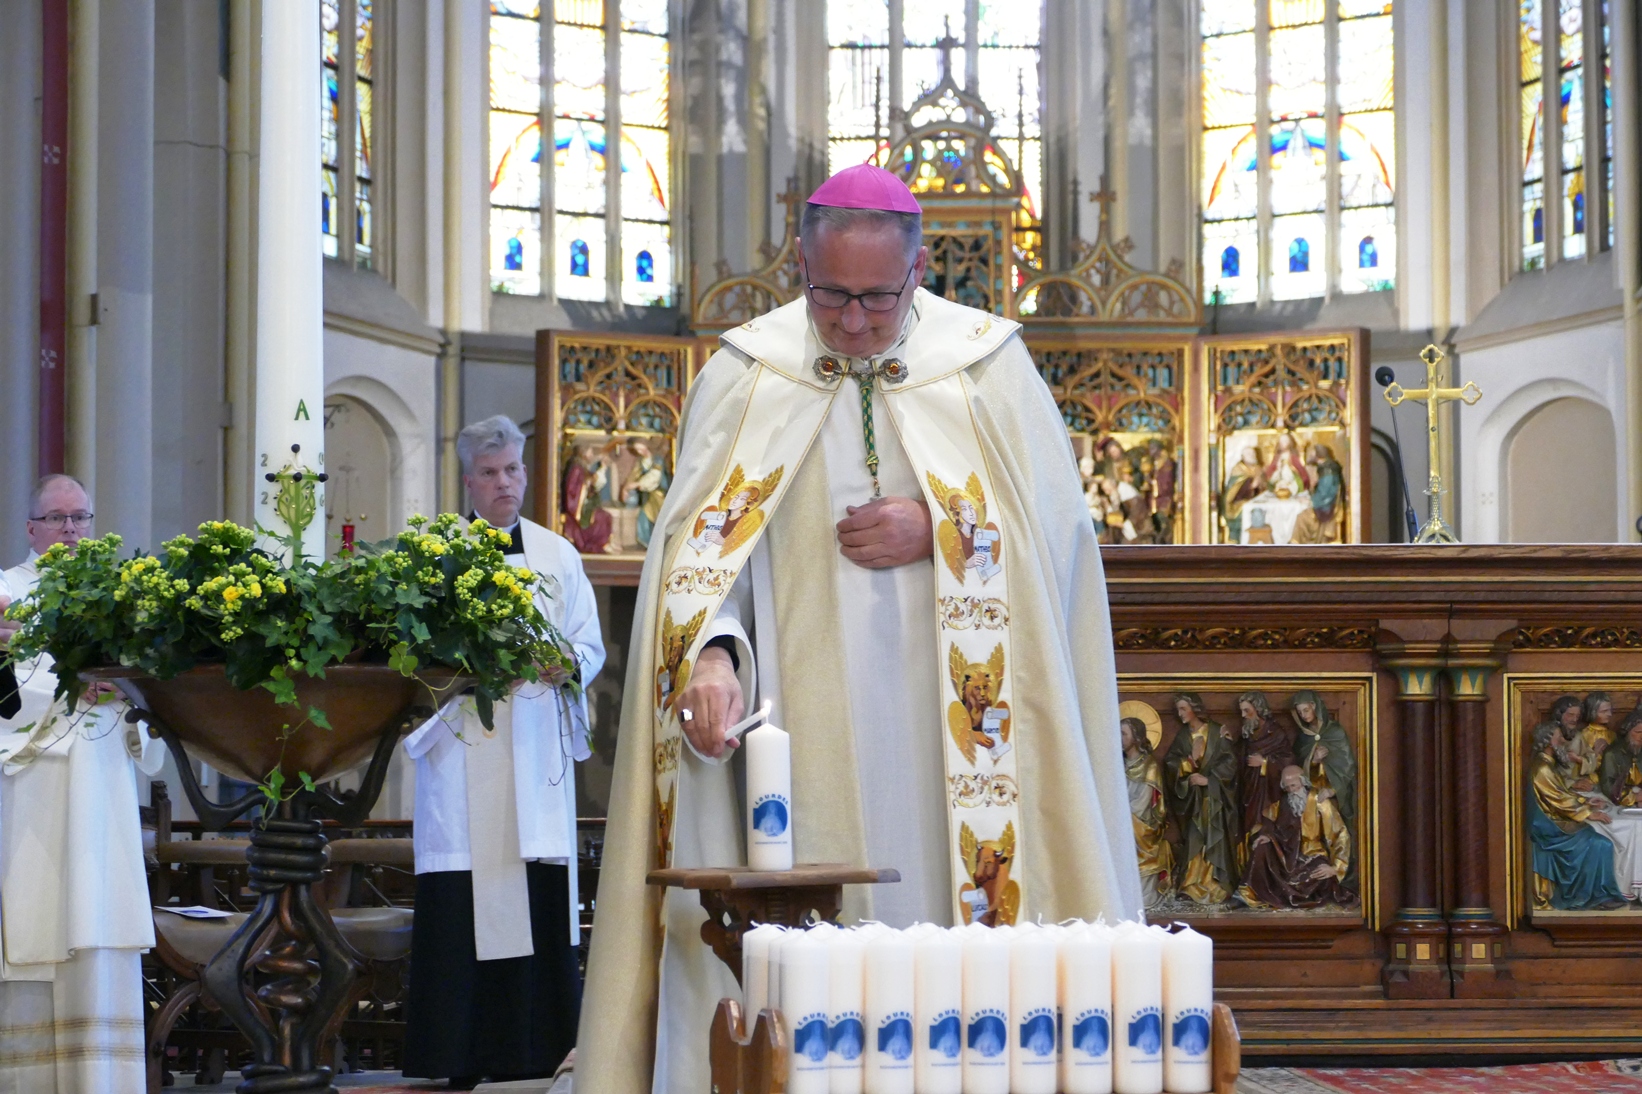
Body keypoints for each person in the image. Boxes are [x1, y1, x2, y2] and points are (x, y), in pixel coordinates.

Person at [577, 163, 1140, 1094]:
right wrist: (713, 654)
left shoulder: (987, 364)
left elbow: (1063, 540)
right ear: (799, 261)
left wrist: (946, 531)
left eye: (877, 299)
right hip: (796, 739)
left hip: (959, 742)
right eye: (830, 294)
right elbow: (704, 557)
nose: (850, 322)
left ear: (918, 275)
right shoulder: (746, 372)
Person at [401, 416, 605, 1087]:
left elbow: (589, 643)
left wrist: (565, 661)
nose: (504, 484)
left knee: (536, 886)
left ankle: (539, 1050)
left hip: (534, 748)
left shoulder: (557, 555)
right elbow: (410, 656)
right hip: (467, 752)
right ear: (467, 480)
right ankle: (455, 1056)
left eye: (513, 470)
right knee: (466, 898)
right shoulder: (434, 557)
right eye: (489, 473)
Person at [0, 474, 165, 1094]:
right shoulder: (6, 592)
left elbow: (146, 691)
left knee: (100, 915)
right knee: (40, 914)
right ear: (32, 527)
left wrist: (127, 686)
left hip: (101, 780)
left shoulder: (121, 596)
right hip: (35, 779)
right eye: (57, 518)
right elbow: (4, 691)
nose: (70, 529)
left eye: (80, 518)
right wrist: (72, 687)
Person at [1526, 721, 1626, 910]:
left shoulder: (1547, 764)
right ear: (1549, 742)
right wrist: (1588, 813)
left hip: (1555, 821)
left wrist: (1585, 802)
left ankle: (1600, 894)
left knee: (1599, 840)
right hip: (1550, 829)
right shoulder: (1542, 769)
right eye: (1559, 737)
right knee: (1601, 844)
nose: (1563, 740)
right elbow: (1558, 800)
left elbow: (1560, 794)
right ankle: (1591, 896)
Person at [1235, 765, 1354, 910]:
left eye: (1294, 785)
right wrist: (1267, 836)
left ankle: (1291, 896)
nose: (1291, 790)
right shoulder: (1282, 804)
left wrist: (1336, 867)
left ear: (1303, 782)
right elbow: (1270, 826)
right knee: (1262, 849)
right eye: (1287, 787)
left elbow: (1339, 834)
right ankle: (1246, 895)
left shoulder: (1320, 802)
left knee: (1322, 877)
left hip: (1311, 854)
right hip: (1285, 854)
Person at [1161, 693, 1240, 905]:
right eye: (1178, 710)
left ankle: (1216, 885)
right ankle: (1191, 884)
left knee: (1215, 838)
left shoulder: (1216, 731)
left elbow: (1230, 763)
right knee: (1195, 838)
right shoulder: (1183, 737)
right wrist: (1189, 762)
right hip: (1193, 801)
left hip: (1215, 800)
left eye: (1183, 708)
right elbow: (1170, 764)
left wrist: (1209, 780)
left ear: (1195, 708)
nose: (1180, 714)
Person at [1235, 691, 1295, 871]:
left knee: (1265, 829)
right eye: (1242, 711)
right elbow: (1238, 759)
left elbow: (1289, 760)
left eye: (1247, 711)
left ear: (1258, 709)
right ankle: (1249, 873)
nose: (1243, 715)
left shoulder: (1275, 732)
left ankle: (1266, 872)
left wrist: (1265, 763)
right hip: (1250, 791)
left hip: (1269, 793)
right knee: (1250, 829)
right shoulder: (1246, 735)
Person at [1121, 717, 1173, 908]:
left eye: (1124, 734)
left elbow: (1142, 805)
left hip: (1141, 827)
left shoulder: (1149, 766)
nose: (1120, 738)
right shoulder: (1118, 764)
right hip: (1125, 822)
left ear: (1136, 737)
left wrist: (1118, 816)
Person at [562, 443, 615, 554]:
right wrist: (586, 484)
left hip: (584, 505)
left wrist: (602, 468)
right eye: (590, 452)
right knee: (602, 517)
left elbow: (592, 481)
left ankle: (605, 543)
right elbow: (572, 490)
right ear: (583, 453)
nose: (591, 455)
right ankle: (599, 544)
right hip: (578, 507)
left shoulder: (582, 467)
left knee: (605, 516)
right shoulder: (576, 468)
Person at [1290, 442, 1344, 544]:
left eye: (1312, 453)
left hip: (1326, 509)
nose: (1311, 456)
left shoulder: (1328, 471)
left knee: (1301, 518)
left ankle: (1298, 546)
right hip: (1324, 505)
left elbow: (1325, 494)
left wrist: (1311, 501)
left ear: (1318, 455)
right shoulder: (1325, 468)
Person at [1601, 711, 1642, 807]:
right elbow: (1608, 785)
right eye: (1638, 732)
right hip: (1619, 799)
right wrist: (1633, 797)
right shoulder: (1612, 753)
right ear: (1627, 731)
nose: (1641, 737)